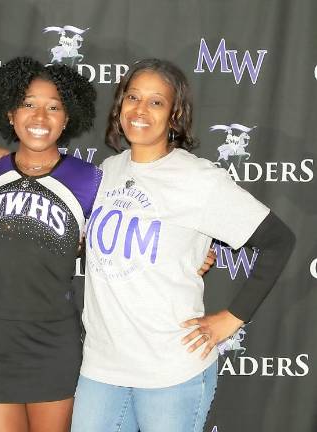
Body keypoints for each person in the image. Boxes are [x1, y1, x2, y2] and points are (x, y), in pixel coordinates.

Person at [70, 59, 295, 432]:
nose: (140, 110)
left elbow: (278, 241)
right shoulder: (107, 172)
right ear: (120, 105)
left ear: (175, 116)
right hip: (102, 368)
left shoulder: (198, 179)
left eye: (156, 102)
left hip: (171, 372)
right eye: (133, 97)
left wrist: (232, 318)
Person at [0, 56, 100, 432]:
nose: (40, 117)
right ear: (10, 113)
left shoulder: (90, 181)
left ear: (68, 116)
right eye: (28, 104)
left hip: (54, 344)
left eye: (53, 107)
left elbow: (126, 240)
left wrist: (191, 254)